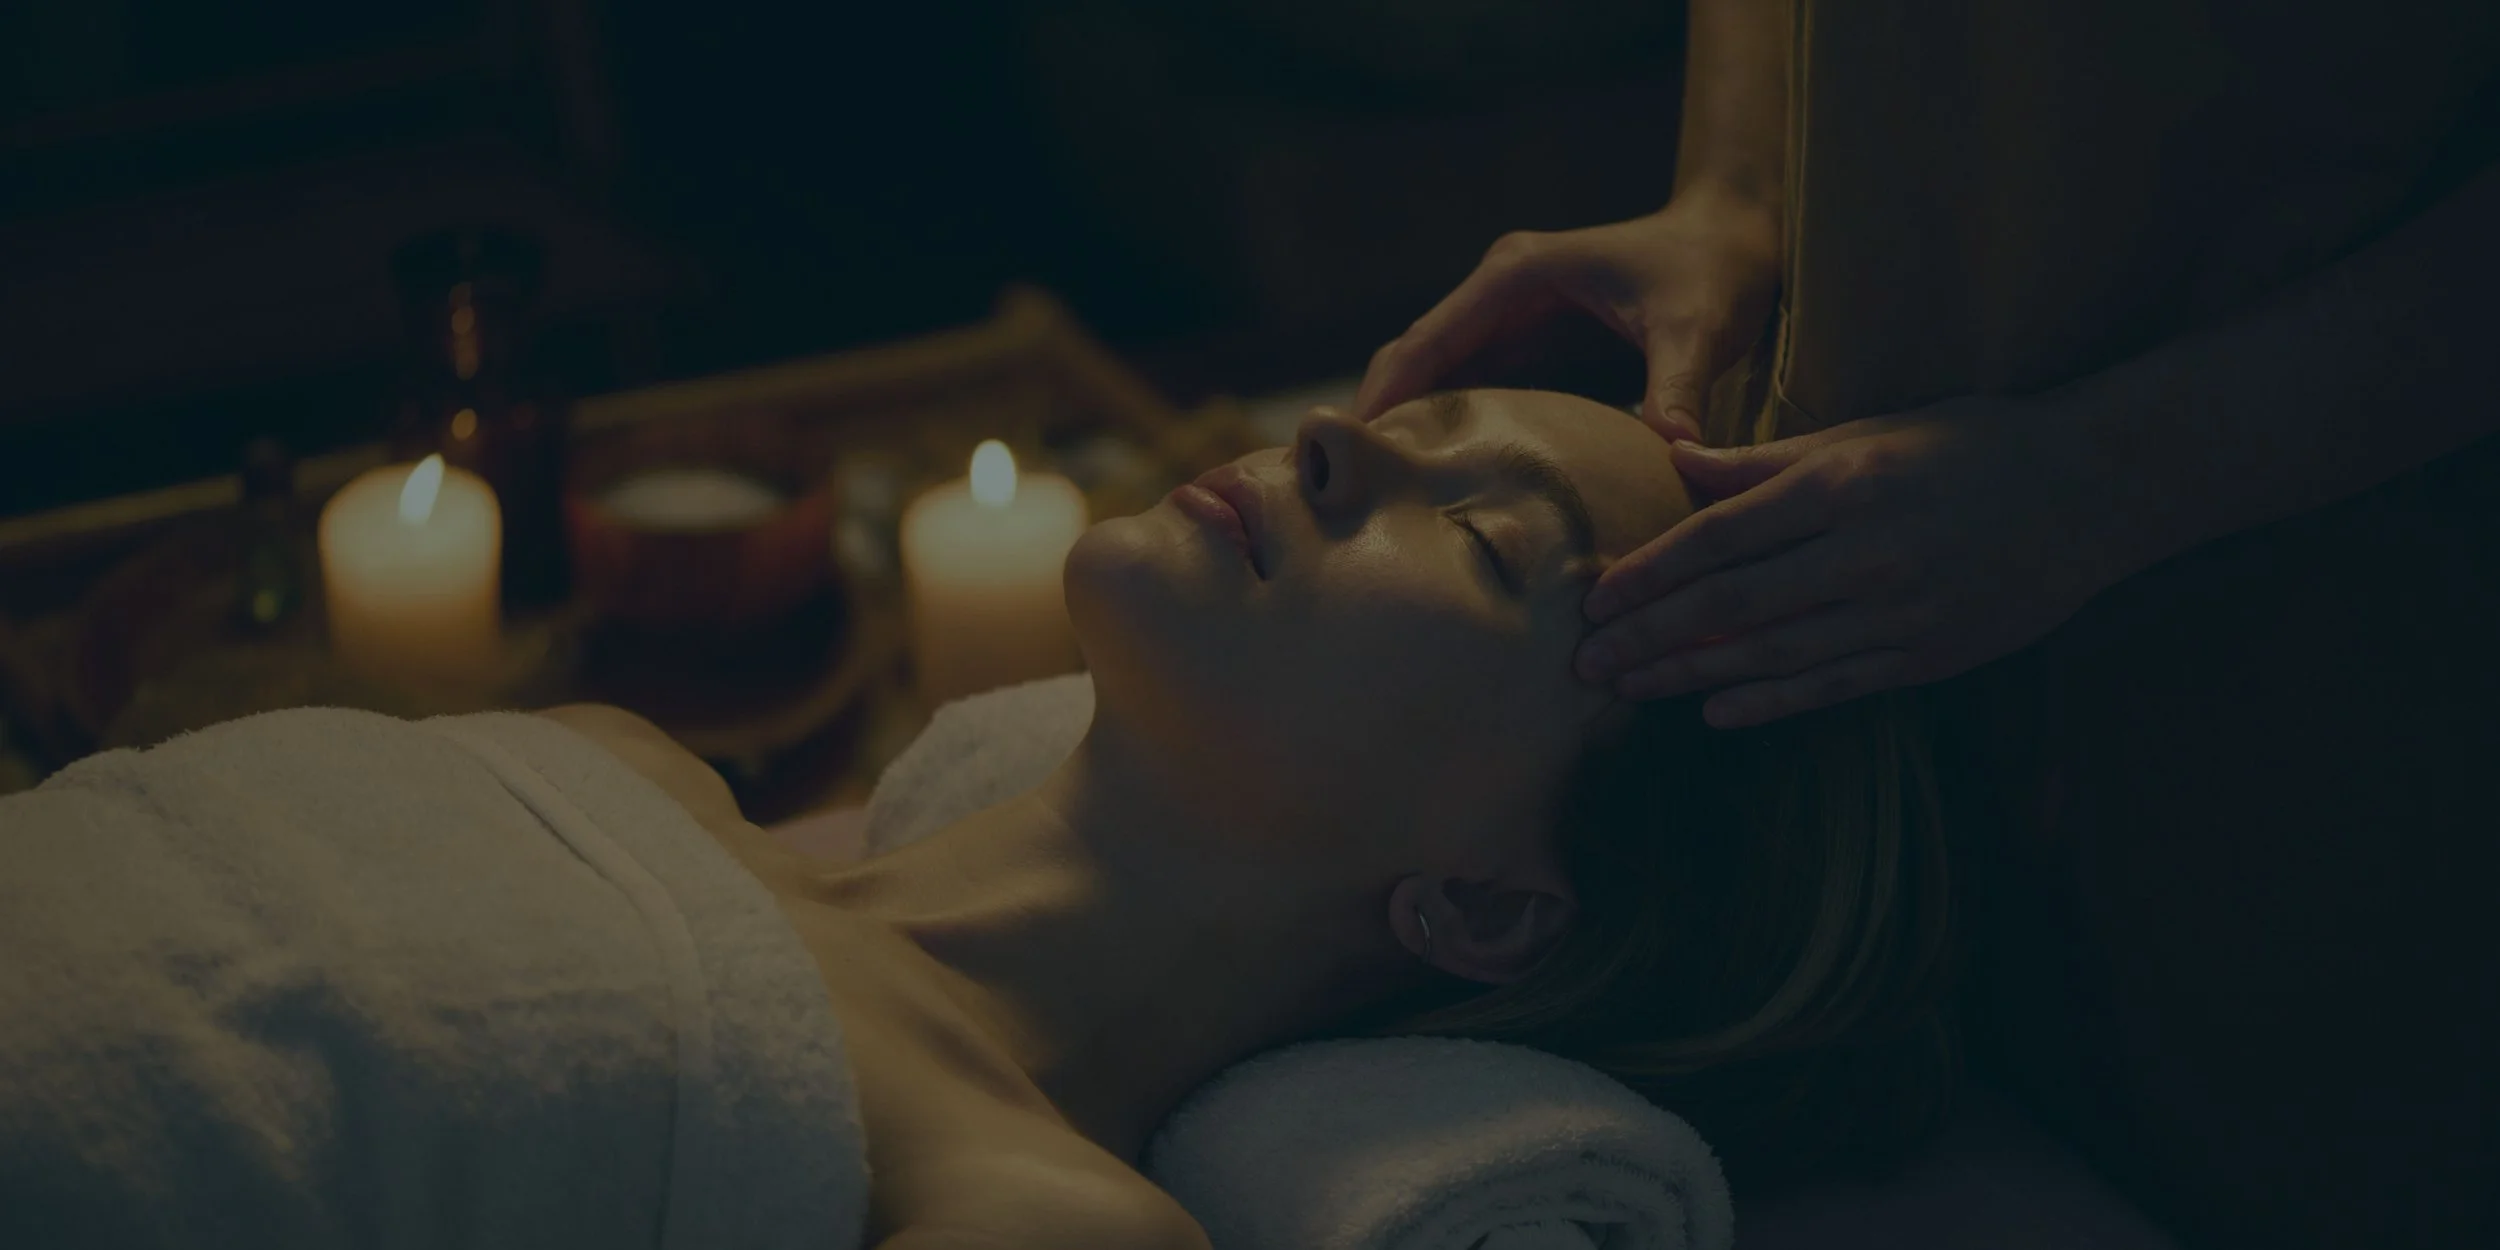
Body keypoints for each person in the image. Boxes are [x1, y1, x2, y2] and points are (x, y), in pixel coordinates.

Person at [2, 391, 1950, 1249]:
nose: (1338, 436)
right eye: (1405, 422)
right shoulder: (619, 755)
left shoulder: (1034, 1212)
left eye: (1475, 532)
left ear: (1489, 907)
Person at [1354, 2, 2500, 1244]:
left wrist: (2128, 472)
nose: (1315, 435)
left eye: (1483, 544)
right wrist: (1733, 186)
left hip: (2311, 615)